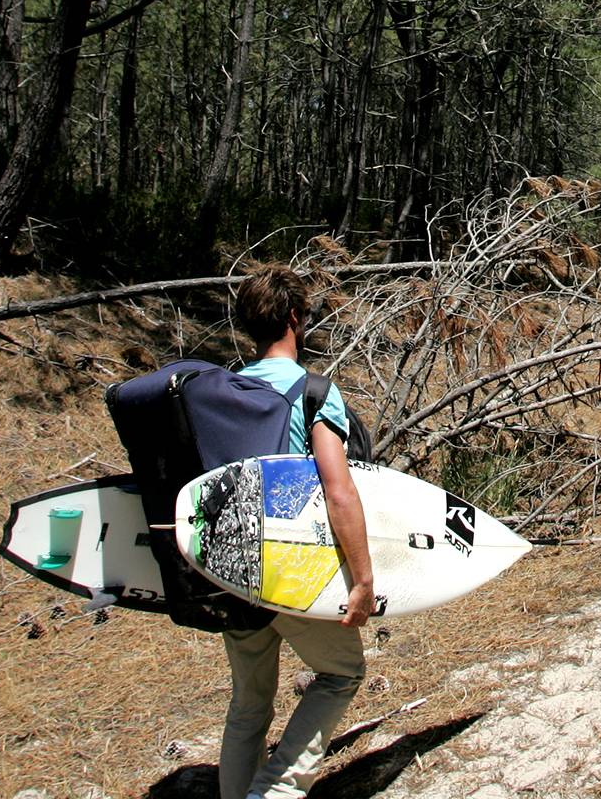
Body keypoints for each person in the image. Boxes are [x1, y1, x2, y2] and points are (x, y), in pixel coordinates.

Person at [219, 264, 375, 799]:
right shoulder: (312, 391)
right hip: (289, 568)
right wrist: (362, 579)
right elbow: (339, 490)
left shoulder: (227, 388)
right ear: (294, 317)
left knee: (248, 705)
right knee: (342, 673)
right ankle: (278, 790)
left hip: (231, 567)